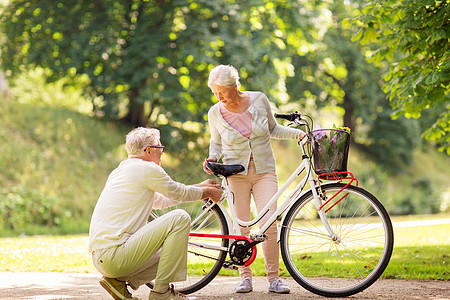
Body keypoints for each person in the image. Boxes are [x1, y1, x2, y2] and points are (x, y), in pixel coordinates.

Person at [202, 64, 306, 294]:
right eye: (215, 93)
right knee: (241, 227)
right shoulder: (215, 112)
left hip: (263, 171)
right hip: (235, 173)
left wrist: (298, 134)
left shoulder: (259, 99)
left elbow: (273, 129)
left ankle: (274, 279)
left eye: (222, 92)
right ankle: (245, 277)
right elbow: (216, 142)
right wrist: (211, 158)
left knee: (269, 223)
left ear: (235, 86)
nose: (219, 97)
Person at [89, 127, 222, 300]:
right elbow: (177, 192)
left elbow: (162, 200)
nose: (161, 152)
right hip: (115, 255)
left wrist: (200, 187)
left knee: (173, 253)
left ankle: (117, 283)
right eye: (160, 148)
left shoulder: (122, 169)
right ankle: (161, 293)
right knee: (180, 218)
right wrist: (206, 192)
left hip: (104, 258)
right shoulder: (147, 169)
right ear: (149, 150)